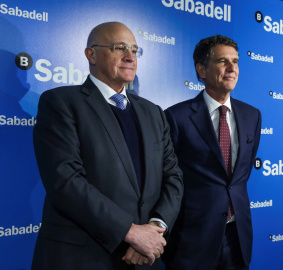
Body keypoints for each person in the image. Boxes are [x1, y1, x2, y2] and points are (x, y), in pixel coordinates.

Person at [31, 22, 183, 269]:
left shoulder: (153, 112)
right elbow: (65, 181)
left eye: (135, 50)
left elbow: (173, 176)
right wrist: (131, 232)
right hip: (84, 257)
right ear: (91, 54)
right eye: (119, 48)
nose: (130, 57)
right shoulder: (60, 102)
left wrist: (156, 227)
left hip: (145, 257)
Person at [163, 35, 261, 270]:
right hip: (193, 238)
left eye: (235, 61)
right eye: (222, 61)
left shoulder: (252, 116)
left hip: (237, 236)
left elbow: (240, 176)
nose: (232, 68)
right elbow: (167, 179)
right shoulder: (176, 117)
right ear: (201, 69)